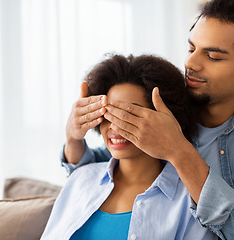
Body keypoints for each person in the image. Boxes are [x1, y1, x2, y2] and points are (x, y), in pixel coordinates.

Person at [61, 0, 234, 239]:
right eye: (191, 49)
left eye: (213, 56)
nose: (190, 63)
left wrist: (177, 150)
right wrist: (73, 137)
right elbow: (109, 166)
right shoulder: (169, 102)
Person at [42, 54, 217, 240]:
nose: (115, 126)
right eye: (108, 113)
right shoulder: (81, 179)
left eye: (129, 115)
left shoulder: (188, 201)